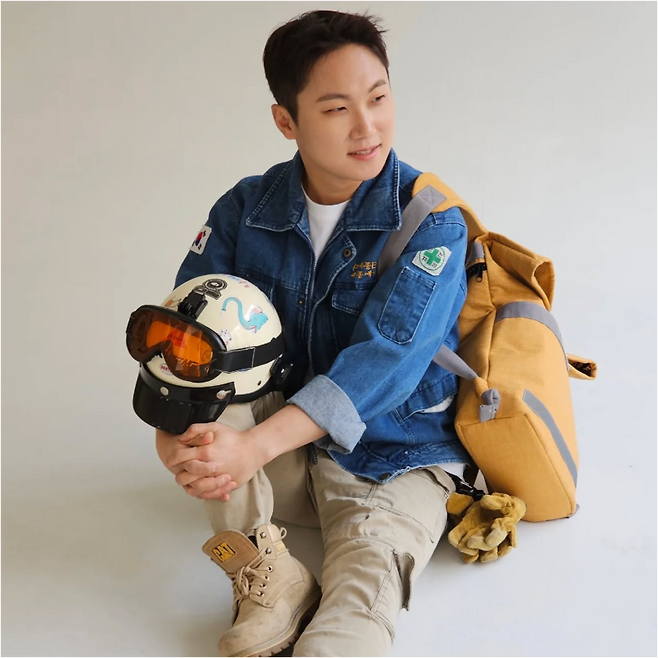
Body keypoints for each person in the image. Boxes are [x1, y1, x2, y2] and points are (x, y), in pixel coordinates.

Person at [154, 9, 473, 657]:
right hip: (285, 463)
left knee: (355, 610)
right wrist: (176, 438)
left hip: (393, 458)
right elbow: (190, 335)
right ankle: (268, 576)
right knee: (200, 388)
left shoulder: (432, 222)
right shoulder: (246, 209)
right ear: (286, 121)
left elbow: (384, 362)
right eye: (336, 109)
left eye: (378, 98)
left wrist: (250, 447)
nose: (367, 127)